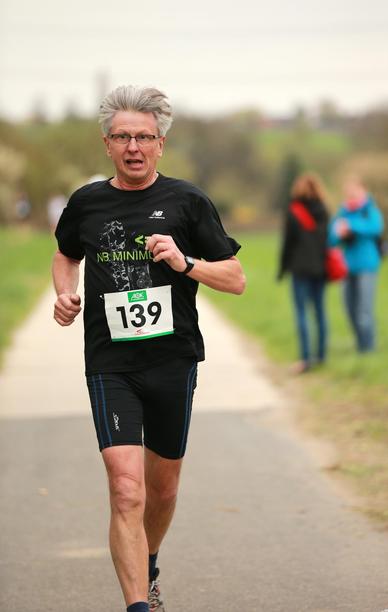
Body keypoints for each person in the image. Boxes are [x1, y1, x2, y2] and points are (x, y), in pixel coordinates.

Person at [52, 85, 246, 612]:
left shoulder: (188, 202)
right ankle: (138, 604)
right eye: (121, 137)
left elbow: (235, 278)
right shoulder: (87, 203)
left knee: (162, 492)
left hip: (172, 361)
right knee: (126, 489)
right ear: (107, 144)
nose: (133, 147)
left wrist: (186, 262)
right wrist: (64, 293)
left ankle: (149, 561)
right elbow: (65, 254)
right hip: (110, 363)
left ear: (161, 143)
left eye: (143, 137)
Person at [277, 173, 329, 374]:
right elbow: (328, 241)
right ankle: (321, 356)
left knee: (301, 313)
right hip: (320, 268)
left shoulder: (293, 210)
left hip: (300, 269)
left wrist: (282, 269)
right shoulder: (324, 210)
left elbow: (287, 243)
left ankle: (306, 359)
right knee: (320, 312)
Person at [328, 175, 384, 352]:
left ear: (363, 190)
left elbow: (376, 227)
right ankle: (360, 343)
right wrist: (339, 233)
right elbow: (331, 239)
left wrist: (351, 226)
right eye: (348, 191)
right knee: (350, 309)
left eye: (355, 190)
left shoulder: (370, 210)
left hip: (367, 266)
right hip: (347, 266)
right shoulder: (342, 213)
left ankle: (368, 347)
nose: (351, 194)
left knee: (364, 310)